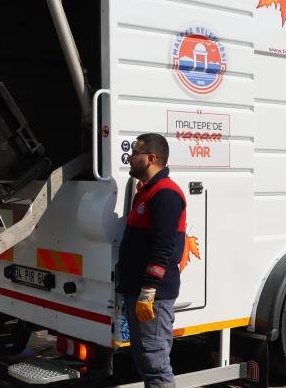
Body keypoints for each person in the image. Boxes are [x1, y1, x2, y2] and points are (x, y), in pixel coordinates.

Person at [117, 133, 186, 387]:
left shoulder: (166, 194)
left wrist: (148, 289)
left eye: (136, 153)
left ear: (152, 158)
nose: (131, 157)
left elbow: (165, 246)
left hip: (153, 295)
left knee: (155, 364)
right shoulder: (147, 192)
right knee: (145, 361)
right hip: (139, 291)